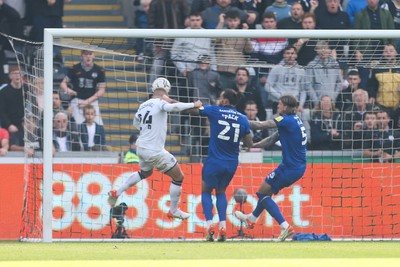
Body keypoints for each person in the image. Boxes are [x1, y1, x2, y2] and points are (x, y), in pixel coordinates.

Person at [108, 77, 203, 221]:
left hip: (141, 147)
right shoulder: (160, 103)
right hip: (154, 150)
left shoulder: (143, 105)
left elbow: (136, 123)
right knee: (179, 177)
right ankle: (174, 210)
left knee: (145, 173)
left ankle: (117, 191)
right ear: (167, 90)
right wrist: (193, 104)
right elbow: (174, 108)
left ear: (153, 89)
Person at [235, 94, 307, 242]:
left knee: (262, 193)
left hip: (290, 168)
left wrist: (239, 119)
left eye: (279, 104)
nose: (277, 106)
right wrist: (254, 146)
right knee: (265, 192)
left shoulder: (285, 120)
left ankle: (285, 226)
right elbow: (272, 139)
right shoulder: (294, 120)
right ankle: (252, 218)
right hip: (295, 166)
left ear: (285, 107)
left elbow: (261, 125)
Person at [191, 89, 253, 242]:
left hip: (214, 161)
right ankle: (223, 227)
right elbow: (248, 143)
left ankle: (209, 225)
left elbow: (195, 110)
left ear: (225, 100)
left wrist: (195, 104)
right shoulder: (243, 118)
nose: (218, 99)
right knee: (221, 192)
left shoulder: (215, 111)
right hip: (231, 163)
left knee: (206, 191)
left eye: (220, 96)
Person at [60, 50, 106, 125]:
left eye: (90, 54)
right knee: (79, 126)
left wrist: (87, 101)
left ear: (94, 55)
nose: (88, 56)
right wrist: (68, 90)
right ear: (81, 56)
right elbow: (63, 83)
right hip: (77, 101)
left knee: (99, 125)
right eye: (85, 54)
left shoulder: (99, 70)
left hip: (92, 101)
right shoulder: (75, 68)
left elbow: (102, 90)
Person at [0, 65, 25, 134]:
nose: (17, 76)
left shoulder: (27, 90)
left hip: (25, 125)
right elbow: (1, 111)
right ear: (10, 76)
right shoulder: (3, 92)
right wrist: (9, 125)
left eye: (19, 73)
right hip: (9, 126)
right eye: (15, 73)